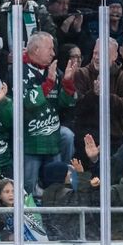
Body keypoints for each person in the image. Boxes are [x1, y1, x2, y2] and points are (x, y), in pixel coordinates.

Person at [23, 32, 79, 197]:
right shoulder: (19, 71)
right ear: (36, 49)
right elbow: (28, 103)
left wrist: (68, 83)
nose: (54, 53)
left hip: (52, 139)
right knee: (28, 192)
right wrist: (48, 83)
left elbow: (66, 104)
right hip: (30, 140)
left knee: (58, 189)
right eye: (50, 48)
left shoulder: (56, 72)